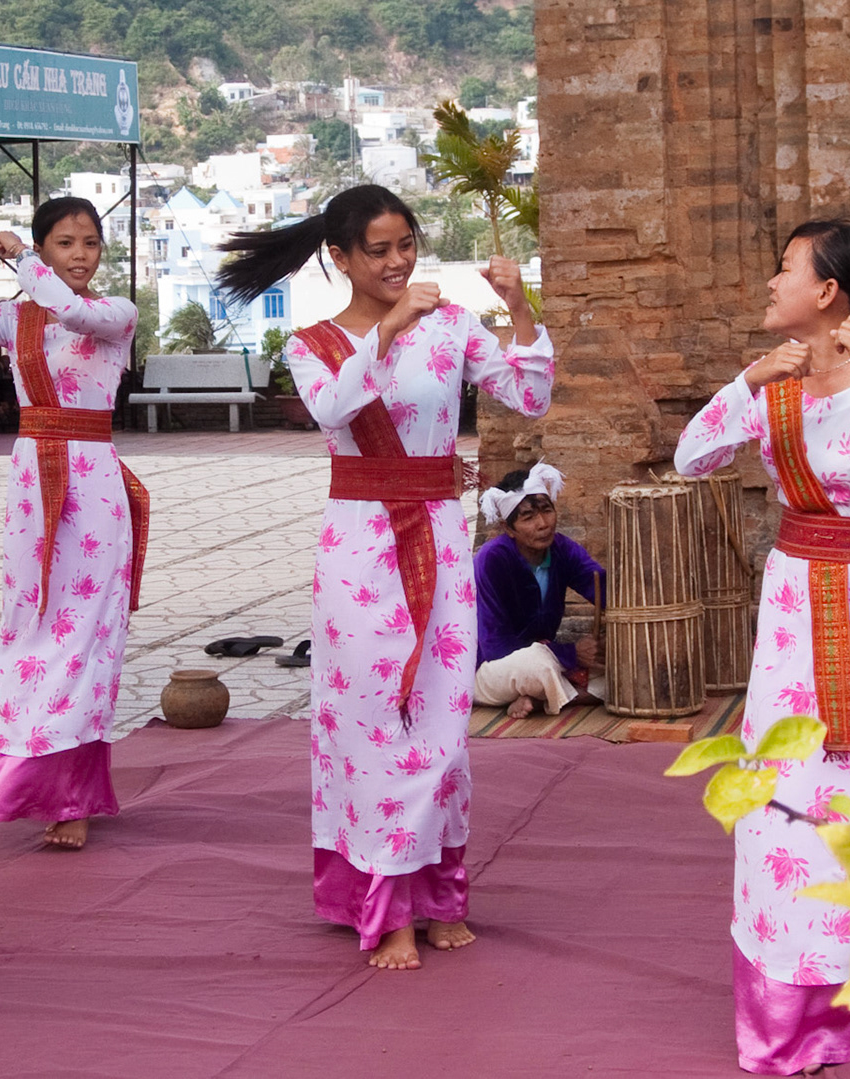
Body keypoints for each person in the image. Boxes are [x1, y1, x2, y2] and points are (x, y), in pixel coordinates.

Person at [214, 184, 555, 971]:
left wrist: (519, 308)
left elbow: (530, 395)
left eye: (407, 244)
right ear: (340, 257)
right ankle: (387, 904)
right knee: (370, 721)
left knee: (441, 720)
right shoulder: (311, 344)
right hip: (360, 549)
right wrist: (390, 328)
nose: (399, 261)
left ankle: (438, 895)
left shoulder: (453, 325)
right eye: (379, 250)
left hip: (438, 537)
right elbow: (333, 409)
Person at [675, 219, 850, 1074]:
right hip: (793, 620)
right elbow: (691, 457)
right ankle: (787, 1011)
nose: (770, 282)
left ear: (828, 291)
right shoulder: (773, 382)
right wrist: (746, 380)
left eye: (785, 268)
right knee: (778, 810)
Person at [0, 196, 146, 851]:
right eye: (64, 243)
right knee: (29, 624)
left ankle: (74, 796)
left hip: (93, 486)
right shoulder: (14, 318)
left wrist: (24, 263)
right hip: (34, 484)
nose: (79, 255)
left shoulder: (115, 314)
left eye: (89, 243)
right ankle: (32, 779)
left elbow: (72, 310)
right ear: (44, 247)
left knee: (87, 633)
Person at [472, 464, 606, 718]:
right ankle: (563, 694)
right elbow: (495, 647)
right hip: (490, 668)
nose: (543, 524)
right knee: (537, 667)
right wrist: (570, 654)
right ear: (508, 529)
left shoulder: (563, 550)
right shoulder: (492, 559)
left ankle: (540, 696)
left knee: (618, 667)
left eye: (546, 511)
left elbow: (603, 587)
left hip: (547, 657)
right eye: (528, 518)